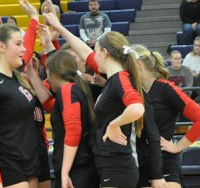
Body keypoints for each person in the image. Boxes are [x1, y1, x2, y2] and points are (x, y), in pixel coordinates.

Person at [45, 12, 146, 187]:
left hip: (117, 167)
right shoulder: (113, 78)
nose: (93, 56)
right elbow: (84, 52)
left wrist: (113, 124)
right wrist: (60, 28)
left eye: (96, 51)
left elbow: (137, 108)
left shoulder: (120, 78)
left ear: (104, 53)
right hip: (110, 166)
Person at [131, 44, 200, 188]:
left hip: (165, 161)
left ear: (138, 65)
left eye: (128, 66)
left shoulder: (166, 88)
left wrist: (178, 146)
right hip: (140, 163)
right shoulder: (133, 92)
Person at [0, 19, 40, 188]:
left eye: (23, 44)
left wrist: (34, 18)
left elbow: (28, 52)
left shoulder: (16, 77)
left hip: (30, 162)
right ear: (1, 47)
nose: (24, 49)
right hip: (8, 166)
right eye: (18, 44)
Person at [27, 50, 99, 188]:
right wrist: (32, 73)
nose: (47, 80)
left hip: (76, 170)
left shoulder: (67, 90)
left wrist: (65, 173)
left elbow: (73, 130)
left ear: (53, 75)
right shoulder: (76, 89)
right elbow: (49, 104)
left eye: (47, 76)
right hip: (81, 169)